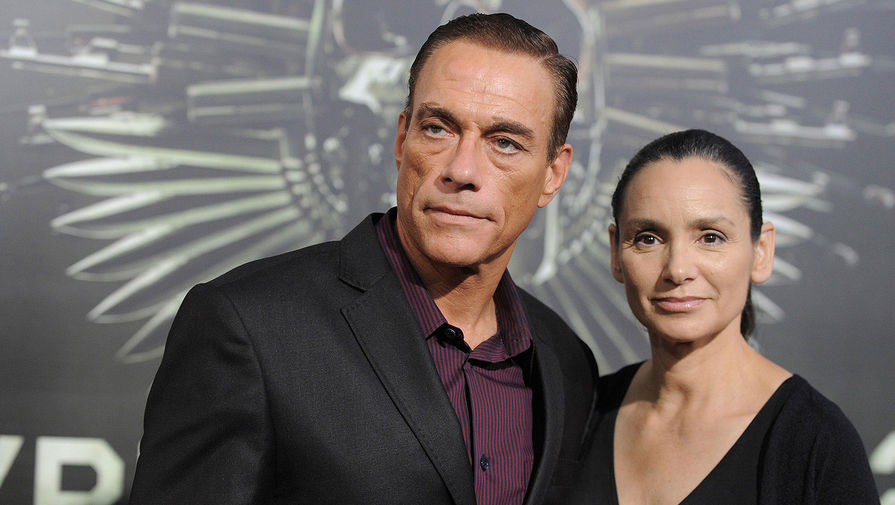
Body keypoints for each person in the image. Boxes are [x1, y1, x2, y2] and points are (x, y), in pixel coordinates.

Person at [129, 12, 599, 505]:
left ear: (553, 174)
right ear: (401, 140)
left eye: (504, 143)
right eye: (438, 128)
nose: (463, 170)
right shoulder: (251, 326)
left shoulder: (565, 363)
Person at [570, 129, 879, 505]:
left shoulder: (816, 444)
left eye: (710, 237)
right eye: (649, 238)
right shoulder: (577, 417)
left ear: (761, 252)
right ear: (616, 254)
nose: (678, 269)